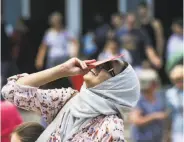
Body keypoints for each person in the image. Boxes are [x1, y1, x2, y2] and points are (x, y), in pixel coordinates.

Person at [2, 57, 140, 141]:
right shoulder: (69, 99)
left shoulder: (110, 127)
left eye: (107, 67)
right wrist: (62, 70)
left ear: (117, 85)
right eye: (102, 62)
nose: (98, 65)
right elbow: (11, 92)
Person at [130, 69, 167, 142]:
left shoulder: (159, 97)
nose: (155, 84)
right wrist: (154, 116)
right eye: (153, 83)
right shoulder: (138, 100)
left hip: (157, 138)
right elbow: (136, 120)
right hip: (142, 139)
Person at [166, 65, 183, 142]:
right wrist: (167, 132)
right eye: (177, 80)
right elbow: (168, 113)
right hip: (177, 128)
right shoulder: (170, 93)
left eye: (181, 80)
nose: (179, 82)